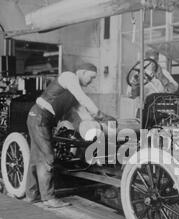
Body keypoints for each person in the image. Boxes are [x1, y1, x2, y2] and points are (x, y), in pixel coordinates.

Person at [26, 63, 114, 208]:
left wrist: (95, 126)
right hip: (39, 118)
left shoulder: (71, 94)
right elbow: (83, 98)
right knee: (47, 158)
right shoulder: (69, 77)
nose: (91, 82)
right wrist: (101, 115)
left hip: (38, 118)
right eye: (91, 78)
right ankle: (48, 198)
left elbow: (80, 113)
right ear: (83, 72)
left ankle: (31, 195)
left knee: (36, 159)